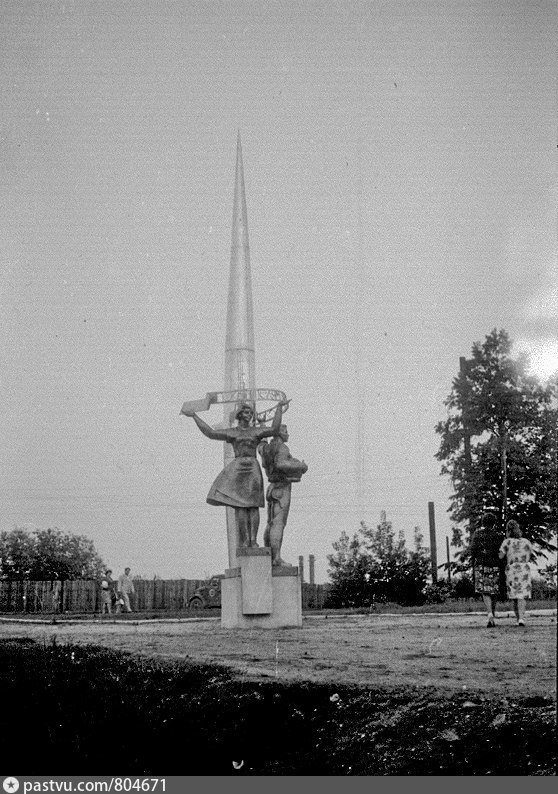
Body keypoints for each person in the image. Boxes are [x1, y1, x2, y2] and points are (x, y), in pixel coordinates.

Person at [183, 400, 287, 547]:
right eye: (246, 412)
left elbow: (274, 429)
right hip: (238, 468)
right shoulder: (233, 432)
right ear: (239, 414)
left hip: (253, 468)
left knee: (254, 505)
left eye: (251, 413)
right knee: (240, 506)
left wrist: (279, 408)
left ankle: (253, 541)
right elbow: (211, 433)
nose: (249, 415)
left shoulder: (256, 431)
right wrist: (194, 416)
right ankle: (245, 540)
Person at [258, 425, 307, 566]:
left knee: (271, 523)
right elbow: (280, 464)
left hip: (272, 488)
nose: (288, 434)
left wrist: (262, 428)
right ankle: (276, 558)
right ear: (278, 432)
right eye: (285, 431)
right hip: (282, 487)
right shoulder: (282, 448)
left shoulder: (266, 448)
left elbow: (260, 446)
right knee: (278, 523)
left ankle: (270, 556)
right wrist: (301, 466)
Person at [470, 512, 503, 627]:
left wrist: (473, 560)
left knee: (485, 591)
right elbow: (501, 552)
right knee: (494, 591)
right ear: (494, 523)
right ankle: (492, 612)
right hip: (494, 565)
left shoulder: (477, 534)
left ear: (483, 522)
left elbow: (473, 550)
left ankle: (489, 614)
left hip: (481, 564)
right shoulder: (498, 535)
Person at [499, 519, 534, 627]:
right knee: (522, 595)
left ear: (508, 531)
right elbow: (530, 554)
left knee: (514, 595)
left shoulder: (507, 542)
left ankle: (518, 618)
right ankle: (522, 618)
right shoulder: (526, 542)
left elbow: (500, 556)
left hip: (512, 569)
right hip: (524, 569)